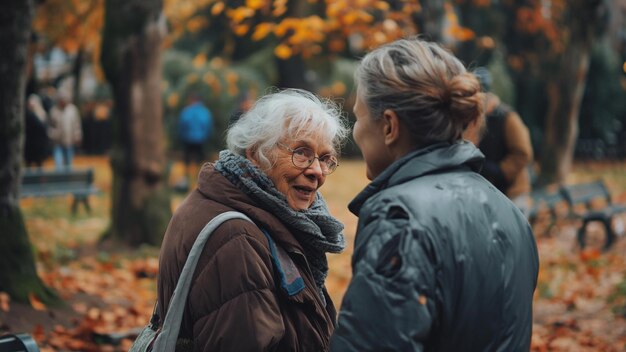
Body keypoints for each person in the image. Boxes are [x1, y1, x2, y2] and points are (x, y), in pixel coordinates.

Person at [330, 38, 539, 351]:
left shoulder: (400, 217)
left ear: (389, 126)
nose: (355, 131)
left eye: (358, 117)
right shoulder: (508, 212)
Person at [158, 89, 349, 350]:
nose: (317, 171)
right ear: (256, 153)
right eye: (302, 152)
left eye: (325, 158)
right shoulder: (237, 238)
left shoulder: (251, 208)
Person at [466, 67, 534, 214]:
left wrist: (501, 171)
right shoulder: (472, 118)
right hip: (487, 193)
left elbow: (523, 152)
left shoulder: (507, 117)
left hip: (512, 193)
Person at [178, 93, 213, 187]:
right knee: (199, 159)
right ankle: (199, 179)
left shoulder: (186, 111)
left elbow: (182, 124)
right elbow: (208, 125)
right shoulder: (205, 111)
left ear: (192, 100)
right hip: (201, 139)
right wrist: (206, 136)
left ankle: (187, 180)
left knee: (187, 159)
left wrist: (183, 135)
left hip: (188, 138)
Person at [48, 94, 82, 169]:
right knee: (58, 165)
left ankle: (68, 180)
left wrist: (77, 136)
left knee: (68, 165)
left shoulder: (72, 110)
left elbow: (76, 125)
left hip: (69, 142)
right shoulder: (54, 111)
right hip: (57, 143)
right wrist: (53, 134)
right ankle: (59, 179)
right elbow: (49, 127)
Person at [24, 94, 51, 168]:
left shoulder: (41, 114)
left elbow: (43, 128)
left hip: (39, 146)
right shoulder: (28, 115)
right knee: (29, 165)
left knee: (39, 165)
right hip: (30, 146)